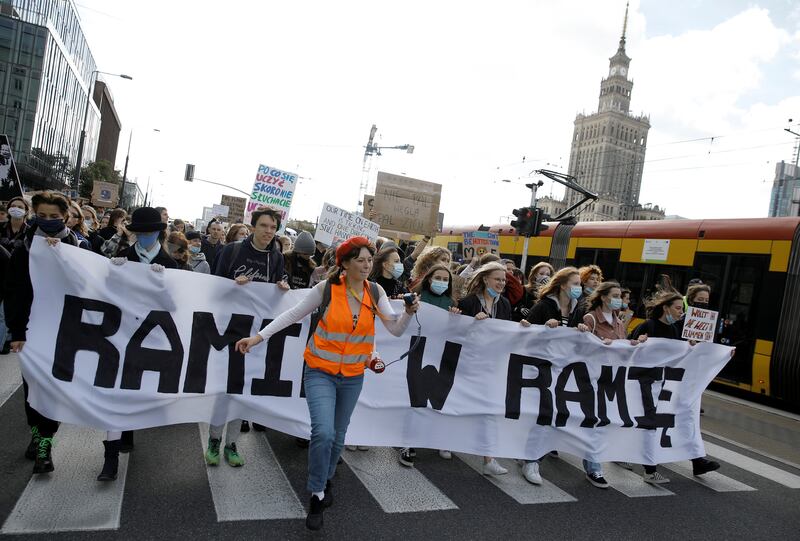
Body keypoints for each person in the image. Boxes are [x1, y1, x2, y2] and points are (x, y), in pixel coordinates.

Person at [235, 236, 419, 531]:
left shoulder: (376, 291)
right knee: (323, 431)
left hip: (352, 376)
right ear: (344, 263)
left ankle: (327, 476)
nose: (366, 264)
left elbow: (395, 329)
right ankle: (317, 492)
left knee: (338, 436)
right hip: (320, 371)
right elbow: (292, 314)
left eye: (369, 259)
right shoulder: (326, 289)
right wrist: (258, 337)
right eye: (360, 259)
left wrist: (408, 314)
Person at [5, 191, 81, 474]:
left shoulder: (77, 247)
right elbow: (14, 293)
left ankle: (44, 441)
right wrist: (16, 332)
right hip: (32, 331)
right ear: (33, 214)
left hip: (65, 332)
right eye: (42, 216)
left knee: (54, 388)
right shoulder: (23, 249)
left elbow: (89, 286)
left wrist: (62, 258)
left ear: (66, 217)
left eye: (54, 217)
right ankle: (38, 436)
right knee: (33, 387)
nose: (48, 221)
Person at [207, 207, 289, 458]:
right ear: (253, 226)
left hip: (257, 334)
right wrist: (233, 286)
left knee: (243, 389)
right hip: (228, 330)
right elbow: (213, 290)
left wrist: (281, 289)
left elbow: (275, 303)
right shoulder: (231, 251)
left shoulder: (276, 258)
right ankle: (213, 440)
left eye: (273, 228)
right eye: (264, 226)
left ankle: (232, 444)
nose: (269, 232)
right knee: (224, 388)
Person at [629, 290, 721, 483]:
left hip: (666, 384)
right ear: (666, 308)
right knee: (648, 425)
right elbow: (628, 349)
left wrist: (719, 354)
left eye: (682, 309)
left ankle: (695, 461)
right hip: (645, 384)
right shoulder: (648, 326)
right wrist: (639, 343)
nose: (681, 312)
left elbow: (682, 356)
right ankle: (649, 470)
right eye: (678, 308)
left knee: (675, 420)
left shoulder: (675, 329)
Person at [458, 261, 532, 476]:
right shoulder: (469, 302)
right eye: (497, 279)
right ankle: (447, 439)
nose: (501, 283)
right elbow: (455, 333)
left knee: (489, 411)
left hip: (491, 366)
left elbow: (505, 334)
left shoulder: (505, 305)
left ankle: (489, 458)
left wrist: (521, 328)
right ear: (484, 279)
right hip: (467, 364)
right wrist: (473, 322)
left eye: (503, 280)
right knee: (459, 408)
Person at [577, 281, 648, 488]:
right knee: (593, 423)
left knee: (601, 423)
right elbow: (580, 348)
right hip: (592, 379)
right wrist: (596, 342)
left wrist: (633, 344)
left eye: (620, 295)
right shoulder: (590, 318)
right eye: (615, 295)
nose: (619, 299)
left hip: (612, 379)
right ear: (604, 297)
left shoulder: (618, 321)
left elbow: (622, 348)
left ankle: (594, 465)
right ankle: (594, 468)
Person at [522, 266, 588, 484]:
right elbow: (525, 333)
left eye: (580, 284)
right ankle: (532, 460)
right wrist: (542, 327)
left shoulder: (579, 309)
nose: (579, 288)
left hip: (564, 371)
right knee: (543, 413)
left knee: (553, 414)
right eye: (575, 284)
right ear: (562, 285)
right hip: (540, 368)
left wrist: (581, 332)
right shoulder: (544, 306)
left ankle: (530, 454)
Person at [398, 264, 461, 467]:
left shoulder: (451, 303)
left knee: (437, 398)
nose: (441, 282)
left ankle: (434, 438)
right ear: (428, 278)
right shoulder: (416, 297)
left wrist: (456, 316)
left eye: (445, 279)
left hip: (439, 355)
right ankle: (408, 443)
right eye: (438, 278)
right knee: (415, 397)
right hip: (418, 350)